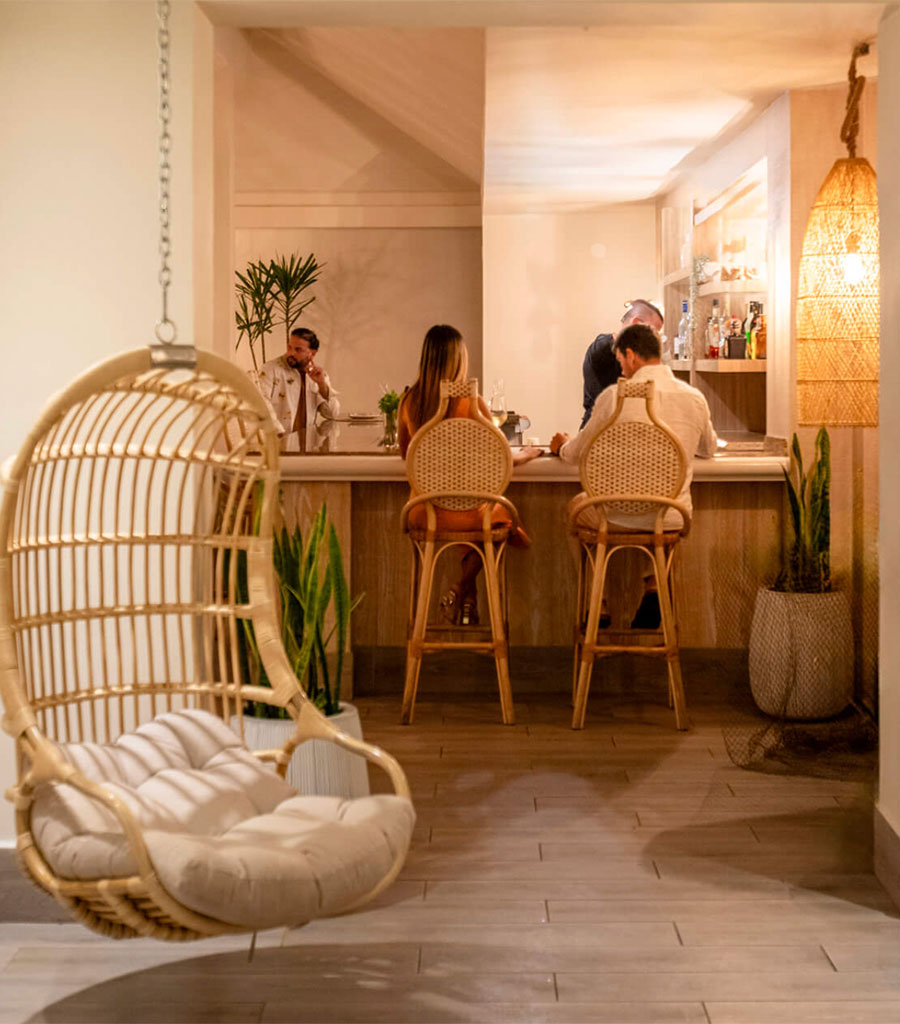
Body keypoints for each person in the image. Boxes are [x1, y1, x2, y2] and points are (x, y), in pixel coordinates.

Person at [551, 323, 717, 629]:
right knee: (652, 511)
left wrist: (561, 446)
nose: (621, 369)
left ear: (631, 356)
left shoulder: (613, 398)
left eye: (620, 362)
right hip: (671, 517)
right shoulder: (694, 398)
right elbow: (708, 449)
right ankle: (655, 585)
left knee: (576, 507)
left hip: (613, 514)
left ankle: (597, 603)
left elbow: (576, 453)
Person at [399, 324, 539, 626]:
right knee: (501, 521)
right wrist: (524, 455)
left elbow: (407, 456)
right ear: (459, 360)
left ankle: (467, 598)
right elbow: (496, 458)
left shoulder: (410, 401)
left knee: (474, 515)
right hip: (473, 512)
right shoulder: (473, 404)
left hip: (425, 511)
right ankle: (459, 589)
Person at [580, 299, 665, 428]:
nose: (655, 339)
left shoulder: (606, 346)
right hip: (600, 433)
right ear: (637, 324)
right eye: (654, 332)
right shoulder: (605, 348)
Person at [258, 327, 340, 449]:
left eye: (298, 350)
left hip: (307, 449)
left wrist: (322, 385)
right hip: (277, 447)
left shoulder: (317, 375)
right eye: (289, 347)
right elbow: (262, 405)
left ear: (312, 353)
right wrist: (280, 436)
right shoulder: (270, 369)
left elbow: (332, 414)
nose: (290, 353)